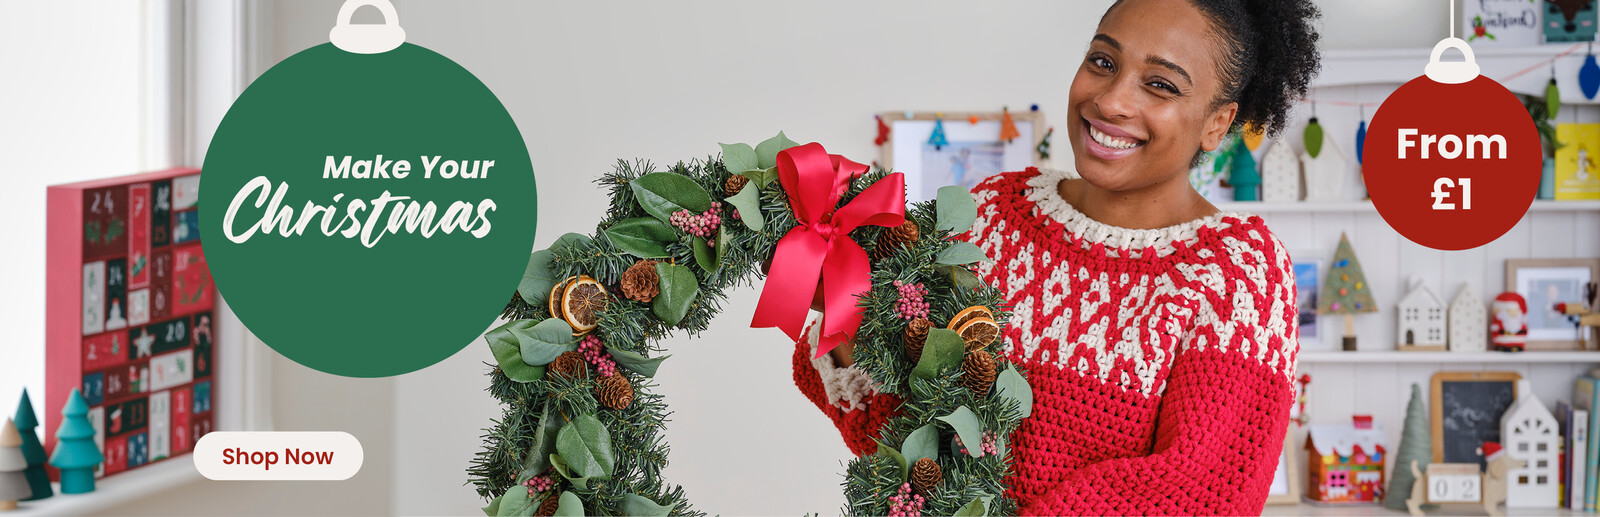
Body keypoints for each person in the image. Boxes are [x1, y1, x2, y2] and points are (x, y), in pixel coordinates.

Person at [791, 0, 1316, 514]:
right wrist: (849, 313)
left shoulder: (1239, 272)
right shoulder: (993, 211)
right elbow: (909, 434)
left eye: (1160, 84)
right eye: (1103, 62)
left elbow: (1202, 490)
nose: (1111, 101)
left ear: (1217, 124)